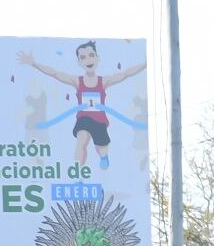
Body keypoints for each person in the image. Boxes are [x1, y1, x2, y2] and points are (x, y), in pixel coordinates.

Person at [17, 41, 147, 167]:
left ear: (97, 58)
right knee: (81, 140)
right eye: (83, 57)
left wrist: (145, 64)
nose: (88, 60)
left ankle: (103, 156)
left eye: (91, 55)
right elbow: (55, 73)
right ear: (79, 62)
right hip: (83, 119)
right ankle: (78, 171)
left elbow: (126, 74)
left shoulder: (103, 81)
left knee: (101, 147)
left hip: (99, 120)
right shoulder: (77, 81)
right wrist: (34, 63)